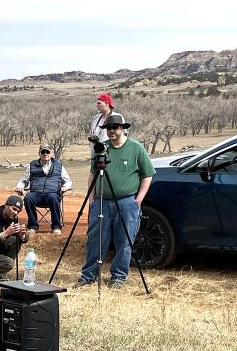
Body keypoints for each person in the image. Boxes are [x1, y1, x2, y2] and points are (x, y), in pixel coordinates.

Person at [75, 114, 155, 289]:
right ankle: (89, 275)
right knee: (95, 239)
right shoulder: (101, 148)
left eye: (115, 128)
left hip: (127, 202)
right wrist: (92, 199)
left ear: (122, 128)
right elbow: (92, 173)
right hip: (102, 201)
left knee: (124, 240)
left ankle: (118, 276)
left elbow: (147, 175)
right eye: (109, 128)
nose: (111, 131)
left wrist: (138, 200)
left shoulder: (136, 148)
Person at [14, 143, 72, 234]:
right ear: (39, 153)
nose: (45, 154)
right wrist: (19, 187)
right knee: (28, 198)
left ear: (51, 153)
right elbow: (24, 181)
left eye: (47, 152)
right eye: (43, 152)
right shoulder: (32, 165)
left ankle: (56, 227)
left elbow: (68, 181)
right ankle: (33, 226)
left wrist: (65, 187)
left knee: (53, 198)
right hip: (36, 194)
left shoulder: (59, 165)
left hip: (52, 194)